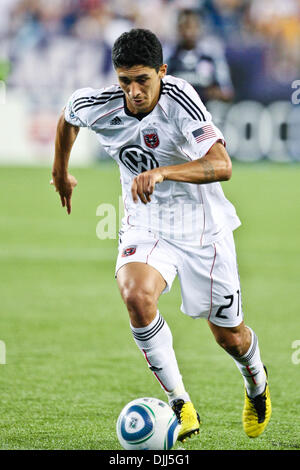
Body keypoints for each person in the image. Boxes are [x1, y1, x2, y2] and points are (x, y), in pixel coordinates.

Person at [51, 28, 271, 443]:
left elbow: (221, 164)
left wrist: (163, 171)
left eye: (142, 80)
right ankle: (180, 403)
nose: (133, 91)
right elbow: (68, 117)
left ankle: (256, 382)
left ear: (162, 72)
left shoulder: (180, 98)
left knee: (230, 336)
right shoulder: (97, 105)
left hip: (202, 228)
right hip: (145, 222)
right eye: (125, 81)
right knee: (136, 295)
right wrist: (60, 171)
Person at [167, 9, 234, 104]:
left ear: (200, 28)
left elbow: (227, 92)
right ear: (178, 29)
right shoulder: (169, 57)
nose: (188, 32)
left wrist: (211, 93)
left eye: (192, 27)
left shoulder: (211, 56)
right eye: (184, 27)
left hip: (206, 112)